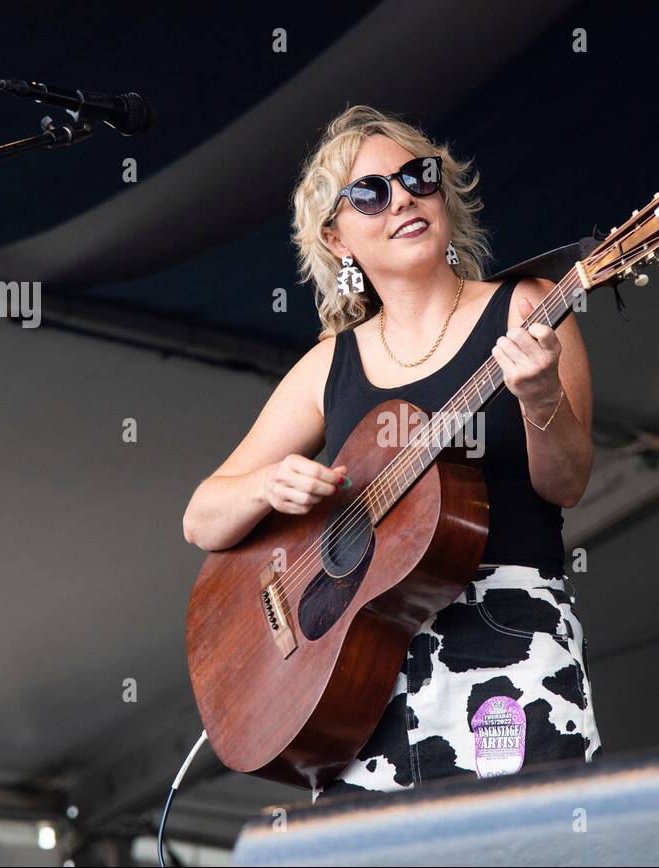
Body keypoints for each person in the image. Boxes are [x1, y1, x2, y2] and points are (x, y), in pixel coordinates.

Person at [182, 105, 601, 802]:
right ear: (336, 236)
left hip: (509, 640)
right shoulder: (330, 365)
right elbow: (202, 517)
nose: (402, 196)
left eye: (418, 176)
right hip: (357, 678)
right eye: (370, 192)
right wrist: (267, 487)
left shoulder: (528, 307)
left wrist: (537, 397)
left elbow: (567, 483)